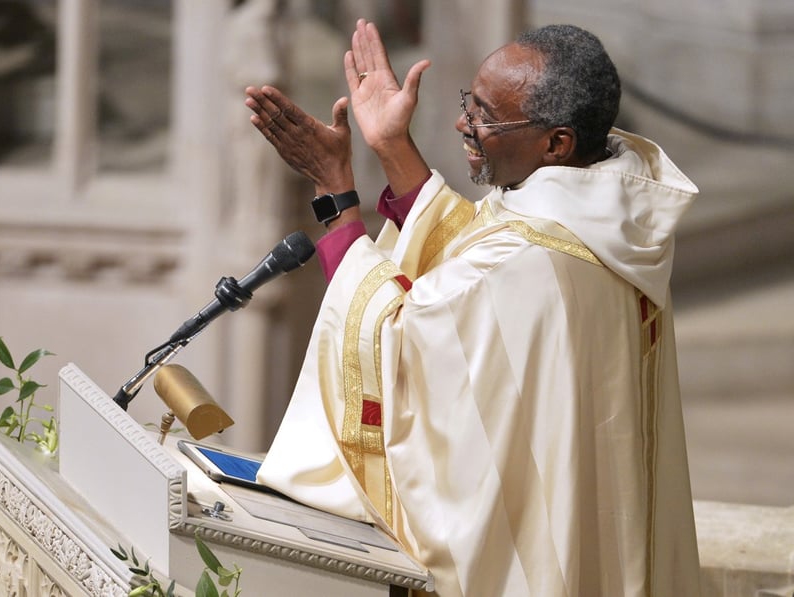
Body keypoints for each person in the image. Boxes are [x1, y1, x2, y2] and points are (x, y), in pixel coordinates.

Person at [245, 19, 702, 597]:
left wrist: (335, 193)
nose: (464, 122)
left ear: (555, 143)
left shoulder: (529, 259)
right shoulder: (608, 212)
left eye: (486, 115)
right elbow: (472, 251)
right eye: (470, 101)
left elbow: (394, 344)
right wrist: (390, 145)